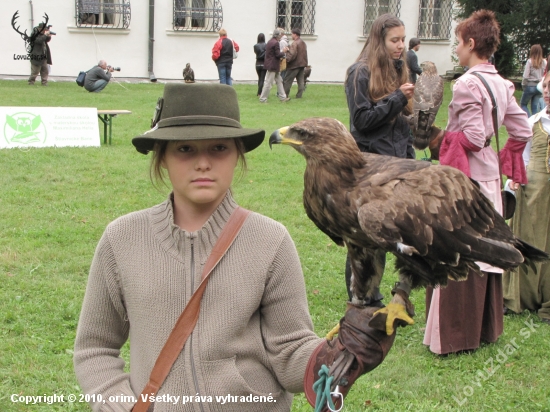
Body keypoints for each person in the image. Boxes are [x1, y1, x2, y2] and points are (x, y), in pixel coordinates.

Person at [73, 82, 397, 412]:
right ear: (163, 158)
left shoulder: (270, 241)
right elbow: (94, 348)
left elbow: (288, 350)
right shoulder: (122, 239)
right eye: (185, 149)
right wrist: (119, 404)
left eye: (218, 148)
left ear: (237, 155)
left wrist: (336, 355)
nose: (203, 163)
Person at [424, 9, 532, 355]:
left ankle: (455, 334)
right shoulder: (501, 82)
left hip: (466, 183)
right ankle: (483, 329)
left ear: (471, 44)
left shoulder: (468, 83)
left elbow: (472, 134)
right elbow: (522, 129)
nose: (456, 49)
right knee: (486, 252)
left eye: (458, 42)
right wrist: (505, 156)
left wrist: (444, 140)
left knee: (459, 250)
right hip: (489, 180)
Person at [344, 13, 415, 303]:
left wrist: (411, 162)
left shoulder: (400, 69)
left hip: (396, 168)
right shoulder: (359, 72)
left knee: (392, 234)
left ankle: (381, 295)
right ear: (379, 40)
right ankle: (362, 297)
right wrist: (397, 98)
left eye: (403, 39)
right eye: (394, 40)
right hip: (371, 169)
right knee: (367, 240)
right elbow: (361, 120)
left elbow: (400, 127)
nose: (400, 46)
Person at [503, 70, 550, 325]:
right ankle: (518, 297)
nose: (547, 91)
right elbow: (524, 158)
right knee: (527, 239)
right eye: (546, 86)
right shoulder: (533, 121)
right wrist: (514, 181)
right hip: (532, 191)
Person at [259, 29, 290, 103]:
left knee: (279, 81)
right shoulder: (276, 43)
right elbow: (277, 54)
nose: (281, 36)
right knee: (268, 83)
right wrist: (284, 51)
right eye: (280, 35)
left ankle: (283, 97)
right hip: (273, 65)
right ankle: (263, 98)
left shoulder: (270, 41)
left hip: (272, 65)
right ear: (278, 35)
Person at [519, 44, 546, 116]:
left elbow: (525, 76)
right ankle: (535, 123)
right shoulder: (544, 62)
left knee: (523, 104)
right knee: (534, 107)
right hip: (539, 87)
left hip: (530, 86)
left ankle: (530, 120)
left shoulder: (530, 61)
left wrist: (524, 86)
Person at [283, 28, 308, 99]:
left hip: (294, 65)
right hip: (302, 64)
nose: (291, 35)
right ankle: (299, 95)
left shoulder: (295, 43)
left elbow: (292, 54)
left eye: (292, 34)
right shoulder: (303, 43)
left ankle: (285, 95)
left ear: (295, 34)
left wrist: (287, 58)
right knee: (301, 81)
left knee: (287, 81)